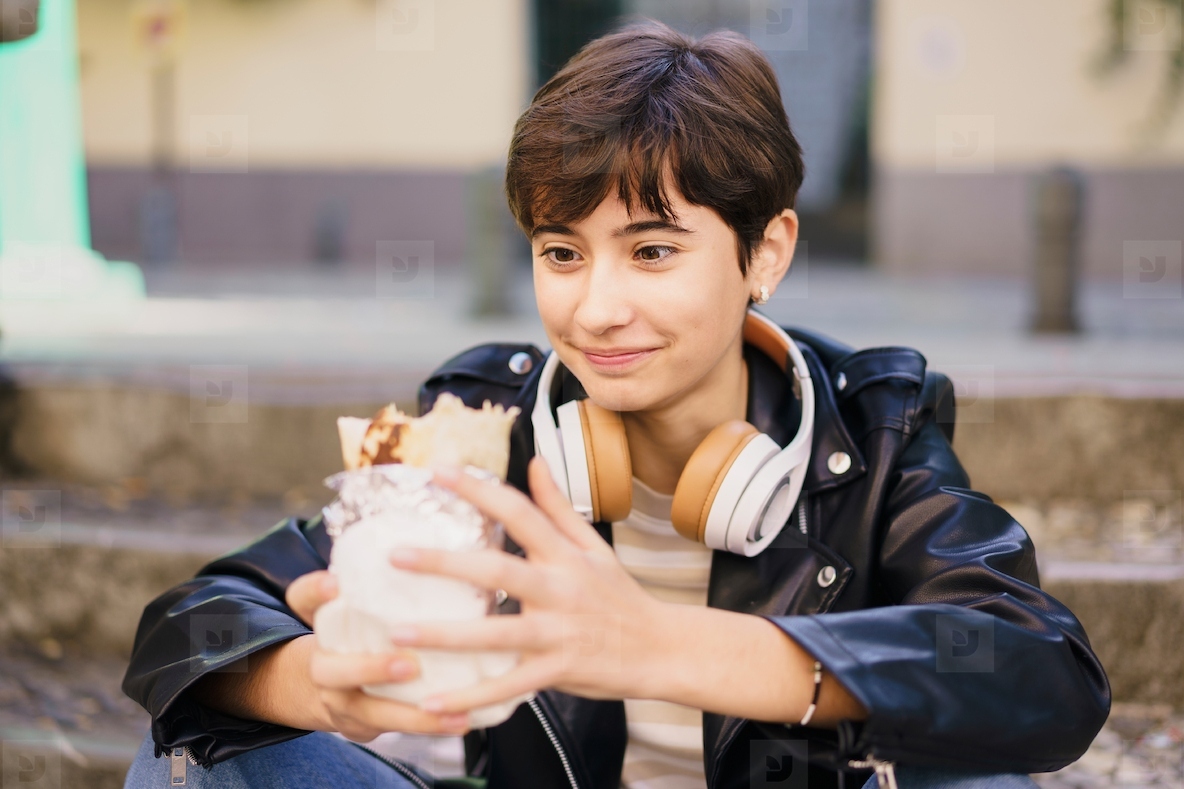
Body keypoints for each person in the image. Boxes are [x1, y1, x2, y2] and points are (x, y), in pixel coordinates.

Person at [121, 20, 1109, 789]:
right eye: (561, 252)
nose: (595, 309)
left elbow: (1042, 672)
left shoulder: (875, 432)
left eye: (652, 250)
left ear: (764, 251)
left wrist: (663, 645)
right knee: (197, 752)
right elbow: (190, 623)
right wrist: (318, 684)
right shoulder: (486, 422)